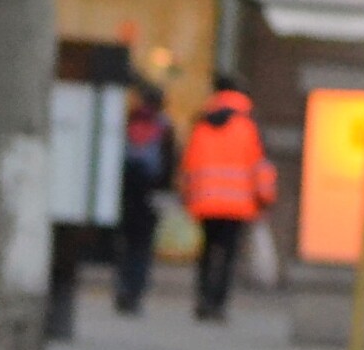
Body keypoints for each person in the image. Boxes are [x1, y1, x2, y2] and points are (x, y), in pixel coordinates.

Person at [178, 76, 276, 322]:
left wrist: (187, 196)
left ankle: (203, 298)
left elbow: (189, 164)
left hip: (205, 201)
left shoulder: (201, 123)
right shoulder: (248, 124)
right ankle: (218, 304)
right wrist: (265, 197)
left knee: (207, 250)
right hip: (238, 204)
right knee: (228, 255)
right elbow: (260, 166)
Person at [113, 80, 176, 316]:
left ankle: (122, 288)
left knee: (125, 243)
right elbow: (169, 162)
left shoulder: (128, 121)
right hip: (151, 192)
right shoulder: (164, 127)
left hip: (126, 190)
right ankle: (135, 293)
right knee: (142, 245)